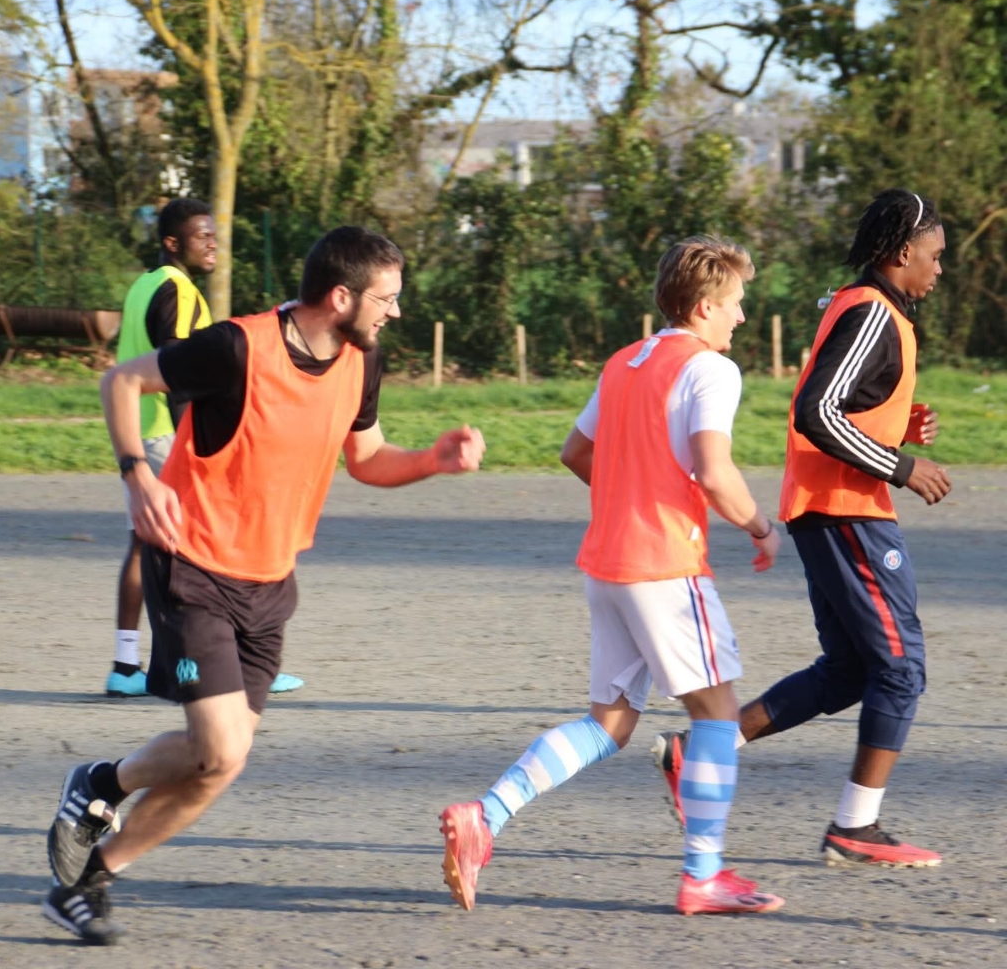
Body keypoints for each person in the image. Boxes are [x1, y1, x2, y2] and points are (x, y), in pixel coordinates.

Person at [44, 226, 486, 945]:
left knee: (220, 763)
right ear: (340, 297)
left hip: (270, 579)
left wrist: (431, 461)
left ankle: (93, 858)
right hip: (193, 563)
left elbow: (367, 458)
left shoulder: (360, 360)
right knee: (218, 746)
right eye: (387, 299)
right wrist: (137, 476)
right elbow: (120, 381)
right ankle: (100, 789)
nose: (396, 312)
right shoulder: (236, 347)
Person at [440, 236, 785, 916]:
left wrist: (630, 495)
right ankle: (704, 875)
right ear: (706, 305)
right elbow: (714, 472)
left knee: (610, 725)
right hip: (667, 569)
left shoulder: (625, 361)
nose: (742, 317)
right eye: (736, 303)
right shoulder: (712, 370)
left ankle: (487, 815)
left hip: (608, 564)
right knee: (718, 714)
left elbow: (576, 451)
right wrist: (761, 527)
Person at [653, 189, 950, 869]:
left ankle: (698, 752)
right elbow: (817, 411)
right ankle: (856, 827)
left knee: (850, 671)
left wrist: (898, 422)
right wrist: (901, 465)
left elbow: (845, 403)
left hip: (829, 511)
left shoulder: (872, 309)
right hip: (846, 512)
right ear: (902, 252)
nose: (938, 269)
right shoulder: (871, 311)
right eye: (934, 256)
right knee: (901, 669)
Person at [107, 197, 303, 699]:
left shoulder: (143, 285)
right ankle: (230, 663)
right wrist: (198, 448)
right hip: (168, 437)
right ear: (173, 243)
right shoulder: (179, 290)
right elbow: (178, 373)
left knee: (145, 545)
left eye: (214, 234)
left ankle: (125, 666)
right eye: (202, 236)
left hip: (140, 432)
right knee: (210, 548)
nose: (213, 243)